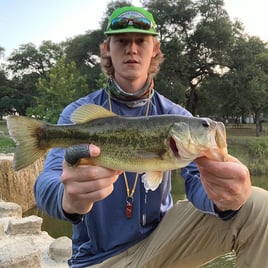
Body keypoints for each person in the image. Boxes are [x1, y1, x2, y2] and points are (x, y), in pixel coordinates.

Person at [34, 6, 268, 268]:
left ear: (154, 48)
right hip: (98, 260)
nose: (131, 49)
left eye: (141, 41)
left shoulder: (176, 116)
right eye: (122, 41)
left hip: (162, 245)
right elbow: (45, 185)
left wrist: (223, 198)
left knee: (257, 206)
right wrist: (68, 200)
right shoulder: (78, 114)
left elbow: (195, 182)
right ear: (106, 49)